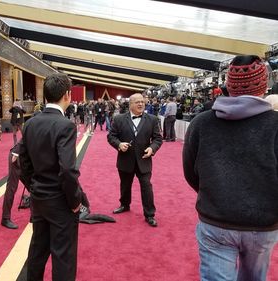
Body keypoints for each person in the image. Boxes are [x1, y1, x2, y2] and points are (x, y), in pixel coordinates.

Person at [183, 55, 278, 281]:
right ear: (264, 85)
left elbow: (190, 171)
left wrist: (216, 193)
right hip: (263, 223)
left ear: (228, 84)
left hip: (216, 220)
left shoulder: (201, 123)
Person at [19, 73, 83, 281]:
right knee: (63, 256)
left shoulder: (30, 124)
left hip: (38, 198)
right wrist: (75, 201)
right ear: (67, 95)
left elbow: (23, 163)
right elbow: (67, 170)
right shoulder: (65, 126)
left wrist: (34, 187)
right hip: (60, 201)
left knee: (38, 251)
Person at [108, 93, 163, 227]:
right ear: (130, 104)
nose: (140, 104)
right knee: (125, 185)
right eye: (137, 102)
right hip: (125, 160)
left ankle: (149, 214)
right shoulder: (119, 119)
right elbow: (111, 137)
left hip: (144, 160)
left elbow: (157, 139)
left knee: (147, 187)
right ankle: (124, 205)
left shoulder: (152, 119)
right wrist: (119, 145)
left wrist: (152, 148)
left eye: (142, 102)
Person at [1, 142, 25, 229]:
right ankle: (5, 218)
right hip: (16, 157)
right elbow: (25, 137)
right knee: (12, 187)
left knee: (32, 186)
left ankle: (35, 215)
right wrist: (16, 153)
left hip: (26, 159)